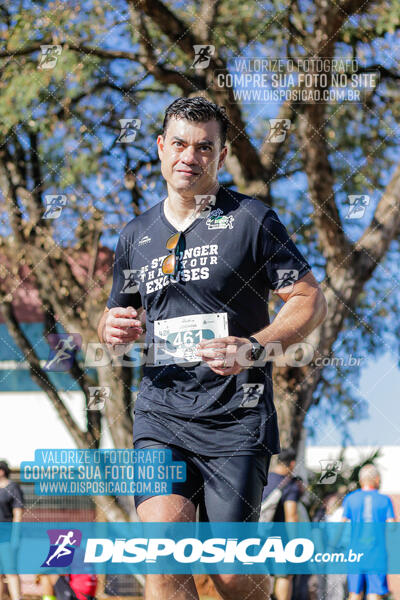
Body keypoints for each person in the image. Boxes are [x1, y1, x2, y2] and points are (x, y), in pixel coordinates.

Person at [97, 96, 328, 600]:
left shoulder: (252, 219)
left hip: (236, 420)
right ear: (160, 147)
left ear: (221, 156)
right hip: (161, 415)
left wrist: (253, 347)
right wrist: (108, 327)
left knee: (230, 573)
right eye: (179, 143)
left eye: (204, 147)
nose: (189, 156)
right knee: (165, 558)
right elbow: (116, 318)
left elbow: (310, 301)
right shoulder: (135, 235)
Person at [342, 464, 395, 600]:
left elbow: (341, 525)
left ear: (360, 480)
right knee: (374, 593)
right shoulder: (385, 500)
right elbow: (392, 527)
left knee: (354, 593)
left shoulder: (350, 498)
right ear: (376, 479)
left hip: (355, 553)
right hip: (377, 553)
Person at [261, 448, 300, 600]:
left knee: (262, 575)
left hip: (259, 535)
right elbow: (291, 515)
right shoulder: (289, 485)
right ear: (292, 463)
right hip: (281, 539)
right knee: (284, 576)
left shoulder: (264, 479)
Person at [0, 461, 24, 600]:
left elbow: (18, 514)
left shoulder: (13, 488)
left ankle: (16, 598)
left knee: (10, 570)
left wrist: (15, 536)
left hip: (7, 536)